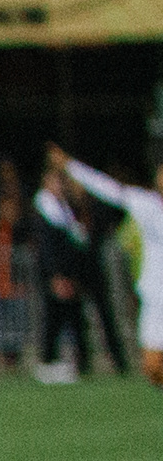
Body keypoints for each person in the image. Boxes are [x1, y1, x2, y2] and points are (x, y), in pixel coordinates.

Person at [51, 144, 163, 383]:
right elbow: (107, 189)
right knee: (152, 367)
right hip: (155, 297)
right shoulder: (147, 204)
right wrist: (70, 165)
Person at [28, 168, 103, 384]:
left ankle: (80, 363)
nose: (60, 187)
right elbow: (47, 247)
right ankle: (47, 362)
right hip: (56, 274)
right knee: (53, 317)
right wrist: (56, 274)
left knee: (73, 317)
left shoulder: (65, 208)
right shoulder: (44, 209)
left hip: (70, 272)